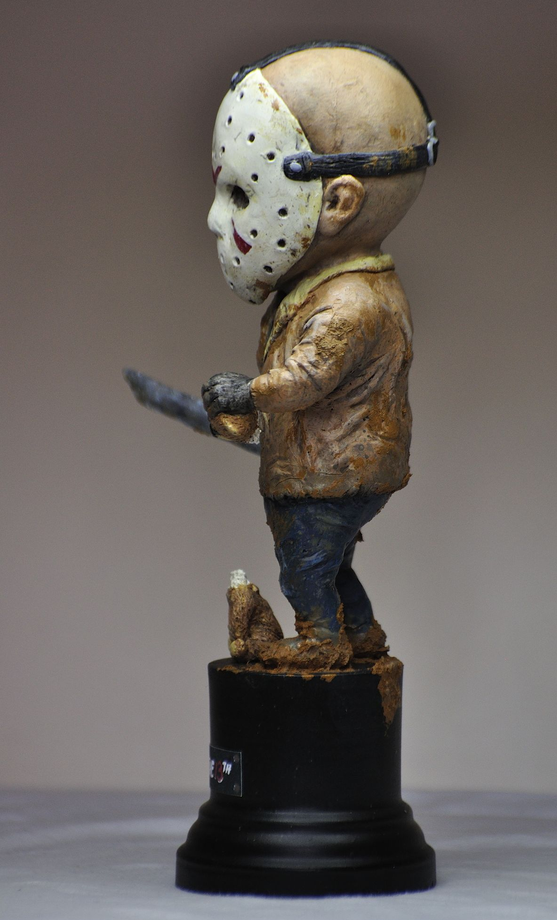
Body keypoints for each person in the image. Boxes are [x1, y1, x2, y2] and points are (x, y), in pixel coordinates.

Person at [202, 42, 438, 670]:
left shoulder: (350, 304)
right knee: (332, 562)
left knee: (304, 566)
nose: (217, 220)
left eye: (242, 194)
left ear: (338, 203)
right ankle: (360, 632)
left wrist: (246, 393)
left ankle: (321, 644)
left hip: (327, 476)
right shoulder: (339, 287)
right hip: (340, 467)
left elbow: (306, 379)